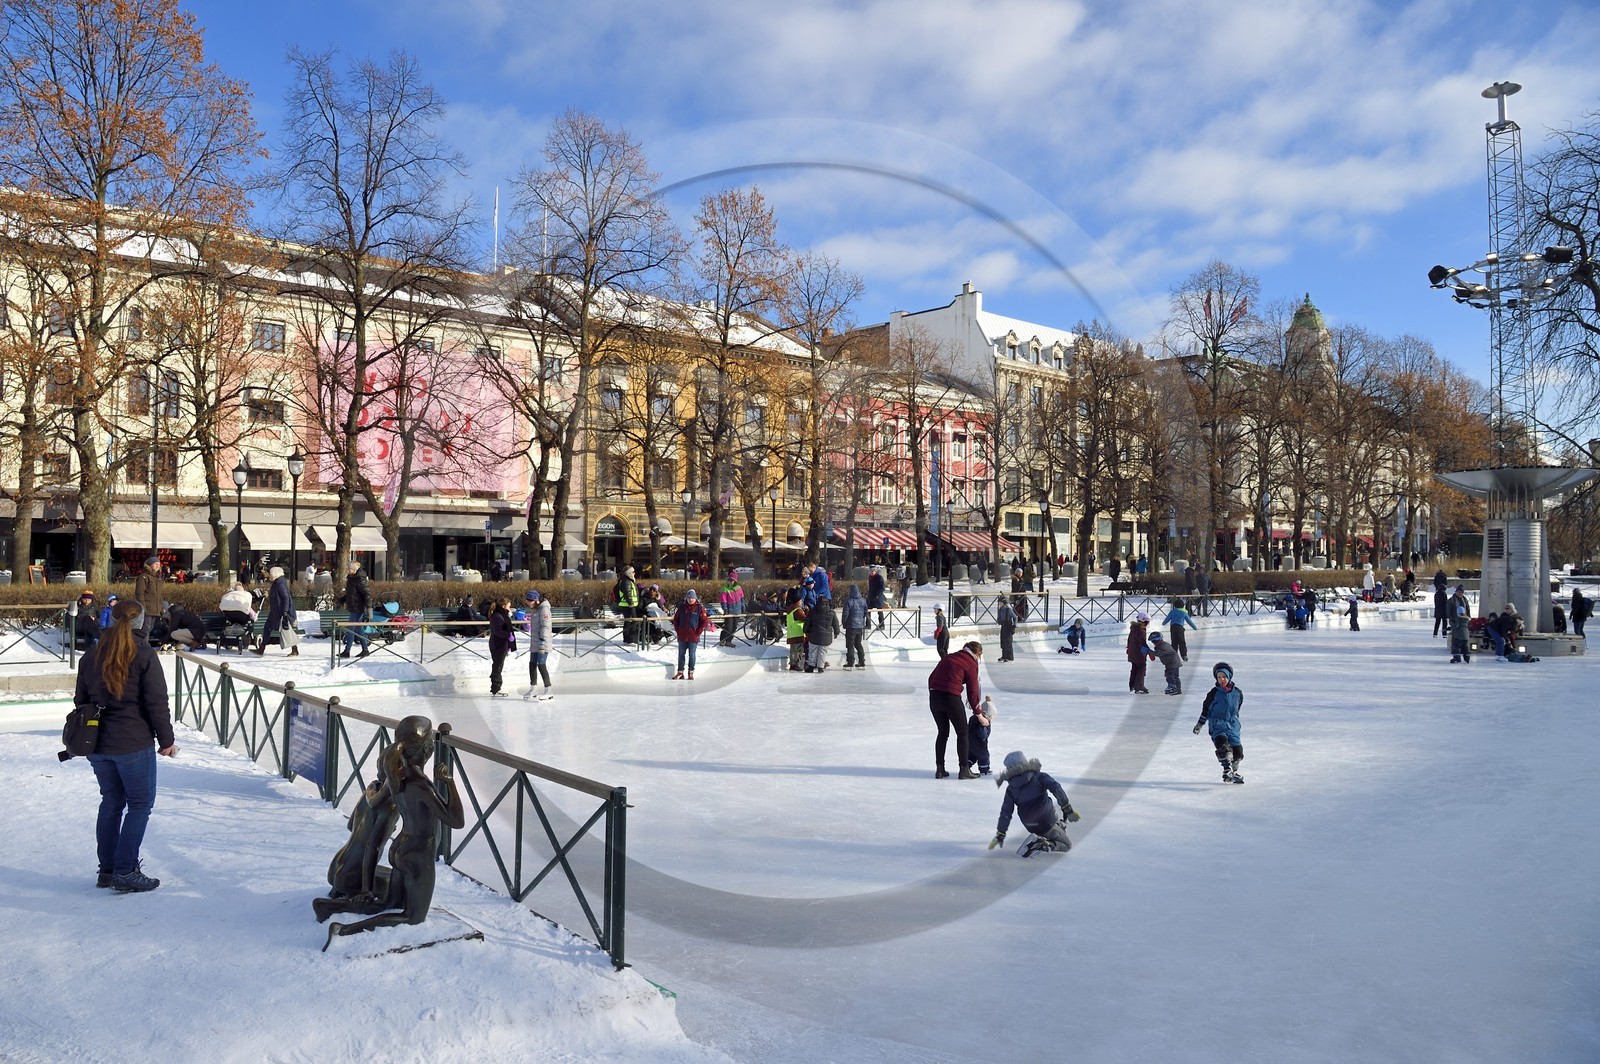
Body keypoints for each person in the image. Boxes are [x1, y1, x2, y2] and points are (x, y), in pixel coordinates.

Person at [76, 599, 177, 892]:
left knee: (111, 803)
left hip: (97, 744)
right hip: (133, 743)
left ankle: (107, 870)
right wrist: (166, 739)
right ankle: (125, 870)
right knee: (139, 805)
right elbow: (157, 703)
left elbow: (80, 701)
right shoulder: (144, 655)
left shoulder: (91, 654)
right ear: (140, 623)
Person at [987, 749, 1080, 855]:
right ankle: (1044, 844)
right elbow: (1056, 788)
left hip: (1029, 825)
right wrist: (1067, 808)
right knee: (1067, 845)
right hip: (1046, 821)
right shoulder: (1039, 777)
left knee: (1052, 821)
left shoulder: (1011, 788)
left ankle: (1058, 826)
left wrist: (1000, 834)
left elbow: (1006, 813)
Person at [927, 640, 983, 779]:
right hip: (951, 698)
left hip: (934, 697)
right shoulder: (970, 663)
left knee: (942, 733)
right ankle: (964, 770)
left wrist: (935, 693)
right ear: (977, 653)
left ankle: (940, 769)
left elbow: (931, 678)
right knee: (963, 733)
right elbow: (973, 691)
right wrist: (979, 713)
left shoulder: (948, 657)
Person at [1193, 661, 1245, 784]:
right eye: (1219, 677)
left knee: (1238, 753)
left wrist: (1236, 723)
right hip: (1217, 725)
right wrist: (1200, 724)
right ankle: (1226, 769)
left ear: (1229, 676)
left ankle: (1234, 773)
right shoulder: (1213, 694)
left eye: (1224, 677)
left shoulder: (1237, 693)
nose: (1222, 679)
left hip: (1233, 725)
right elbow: (1206, 710)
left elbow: (1237, 709)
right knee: (1223, 747)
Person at [255, 566, 295, 656]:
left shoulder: (280, 583)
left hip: (280, 612)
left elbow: (285, 598)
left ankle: (261, 649)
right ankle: (261, 649)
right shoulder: (278, 582)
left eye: (270, 573)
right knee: (272, 628)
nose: (268, 575)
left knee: (285, 630)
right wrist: (268, 593)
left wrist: (285, 611)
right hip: (276, 612)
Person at [672, 588, 711, 680]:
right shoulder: (681, 607)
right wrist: (678, 630)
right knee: (681, 654)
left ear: (695, 598)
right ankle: (680, 672)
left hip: (693, 636)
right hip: (682, 635)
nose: (690, 600)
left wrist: (698, 632)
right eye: (689, 598)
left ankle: (691, 672)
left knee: (692, 655)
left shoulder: (700, 608)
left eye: (692, 598)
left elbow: (704, 621)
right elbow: (676, 619)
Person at [523, 588, 554, 700]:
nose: (528, 603)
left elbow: (546, 625)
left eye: (530, 601)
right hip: (535, 642)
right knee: (532, 664)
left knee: (541, 664)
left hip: (542, 642)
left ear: (536, 600)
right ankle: (533, 689)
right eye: (527, 600)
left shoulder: (544, 609)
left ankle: (548, 690)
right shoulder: (536, 609)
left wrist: (542, 638)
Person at [340, 561, 373, 659]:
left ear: (354, 569)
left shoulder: (360, 579)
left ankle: (347, 651)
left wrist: (369, 608)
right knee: (358, 629)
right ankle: (365, 650)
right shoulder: (351, 579)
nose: (347, 570)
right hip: (353, 607)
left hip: (358, 608)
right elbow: (351, 594)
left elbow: (367, 594)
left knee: (350, 629)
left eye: (349, 568)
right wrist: (341, 601)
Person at [803, 594, 838, 673]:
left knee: (813, 651)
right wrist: (836, 632)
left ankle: (811, 666)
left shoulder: (812, 611)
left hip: (814, 634)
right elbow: (835, 623)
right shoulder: (831, 612)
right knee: (822, 651)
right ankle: (820, 667)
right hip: (826, 636)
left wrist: (805, 630)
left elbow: (807, 622)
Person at [134, 556, 164, 641]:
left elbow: (159, 596)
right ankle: (143, 646)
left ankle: (142, 645)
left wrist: (161, 608)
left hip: (155, 609)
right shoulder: (144, 577)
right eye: (155, 564)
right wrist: (143, 607)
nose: (158, 566)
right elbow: (139, 593)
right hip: (147, 607)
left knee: (149, 628)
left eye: (159, 564)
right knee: (145, 629)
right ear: (150, 565)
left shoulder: (158, 578)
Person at [487, 599, 513, 697]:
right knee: (498, 665)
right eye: (508, 606)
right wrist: (508, 635)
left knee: (498, 665)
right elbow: (498, 631)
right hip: (497, 645)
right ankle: (496, 687)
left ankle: (495, 686)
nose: (509, 608)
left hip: (501, 644)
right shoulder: (497, 616)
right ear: (503, 606)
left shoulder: (502, 615)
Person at [840, 583, 869, 669]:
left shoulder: (849, 600)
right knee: (858, 644)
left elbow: (845, 613)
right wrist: (861, 621)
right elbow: (865, 612)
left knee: (850, 645)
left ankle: (850, 663)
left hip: (851, 625)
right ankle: (862, 661)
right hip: (859, 626)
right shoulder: (863, 600)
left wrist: (844, 622)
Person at [967, 696, 996, 776]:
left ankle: (966, 765)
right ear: (989, 715)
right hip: (980, 744)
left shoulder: (973, 718)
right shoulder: (984, 722)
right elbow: (983, 734)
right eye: (993, 716)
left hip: (969, 742)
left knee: (971, 755)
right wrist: (984, 733)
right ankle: (984, 769)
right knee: (984, 756)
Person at [612, 566, 640, 647]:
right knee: (632, 621)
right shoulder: (626, 581)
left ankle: (627, 639)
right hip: (627, 605)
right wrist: (631, 604)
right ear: (628, 573)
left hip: (628, 605)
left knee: (628, 621)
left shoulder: (628, 580)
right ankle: (630, 639)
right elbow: (627, 593)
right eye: (633, 572)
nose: (634, 573)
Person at [1125, 612, 1151, 694]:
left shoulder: (1134, 628)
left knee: (1134, 669)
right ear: (1144, 621)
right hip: (1139, 654)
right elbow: (1142, 644)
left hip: (1133, 653)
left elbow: (1129, 640)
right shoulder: (1141, 630)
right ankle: (1139, 686)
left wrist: (1129, 648)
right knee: (1141, 669)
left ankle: (1132, 685)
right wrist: (1148, 652)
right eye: (1147, 622)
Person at [718, 571, 745, 648]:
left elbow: (742, 599)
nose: (730, 582)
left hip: (737, 611)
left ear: (735, 581)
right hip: (729, 611)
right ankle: (723, 640)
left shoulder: (739, 588)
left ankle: (729, 641)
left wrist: (743, 608)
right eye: (729, 580)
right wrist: (725, 609)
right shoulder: (724, 589)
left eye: (732, 580)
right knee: (728, 627)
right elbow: (723, 601)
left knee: (734, 627)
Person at [1449, 585, 1473, 664]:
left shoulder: (1465, 599)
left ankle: (1459, 657)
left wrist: (1468, 616)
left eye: (1461, 592)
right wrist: (1451, 619)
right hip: (1456, 620)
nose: (1460, 593)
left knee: (1456, 643)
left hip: (1461, 621)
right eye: (1459, 592)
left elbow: (1468, 609)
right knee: (1462, 643)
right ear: (1456, 592)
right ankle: (1463, 656)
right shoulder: (1452, 600)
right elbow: (1448, 611)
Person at [784, 596, 809, 672]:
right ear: (797, 602)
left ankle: (792, 664)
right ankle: (797, 665)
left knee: (793, 650)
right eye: (800, 601)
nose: (801, 603)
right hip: (798, 633)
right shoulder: (797, 611)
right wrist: (807, 611)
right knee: (799, 651)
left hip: (792, 634)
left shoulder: (790, 610)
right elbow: (805, 619)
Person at [996, 596, 1017, 662]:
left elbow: (1015, 617)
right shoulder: (1000, 609)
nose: (999, 604)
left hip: (1008, 626)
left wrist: (1014, 626)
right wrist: (999, 621)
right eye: (999, 603)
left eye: (1000, 603)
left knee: (1008, 642)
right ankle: (1004, 656)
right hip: (1003, 626)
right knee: (1003, 641)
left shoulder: (1008, 609)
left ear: (1004, 603)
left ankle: (1010, 657)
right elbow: (999, 618)